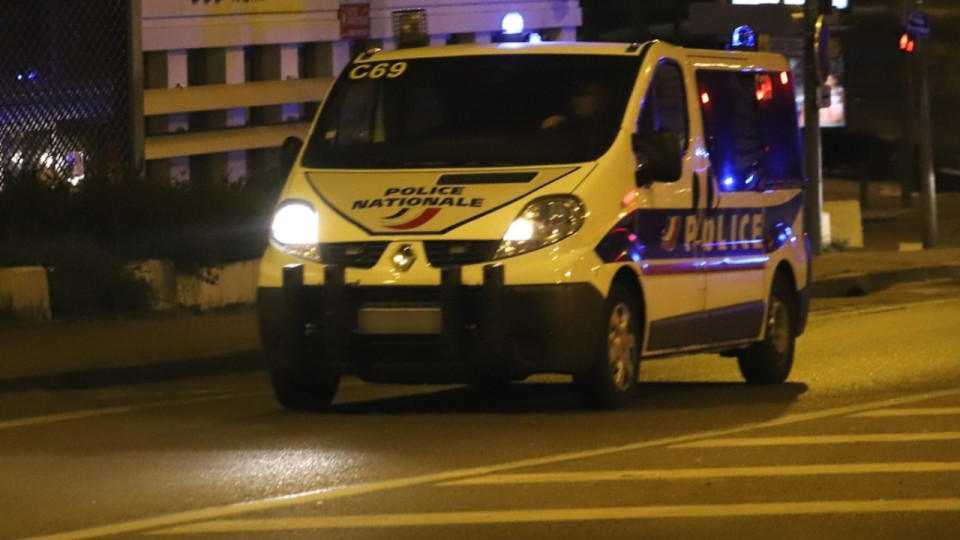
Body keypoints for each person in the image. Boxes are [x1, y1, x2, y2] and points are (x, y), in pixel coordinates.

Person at [541, 81, 605, 131]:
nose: (579, 100)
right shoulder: (559, 123)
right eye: (579, 94)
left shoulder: (605, 125)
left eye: (587, 94)